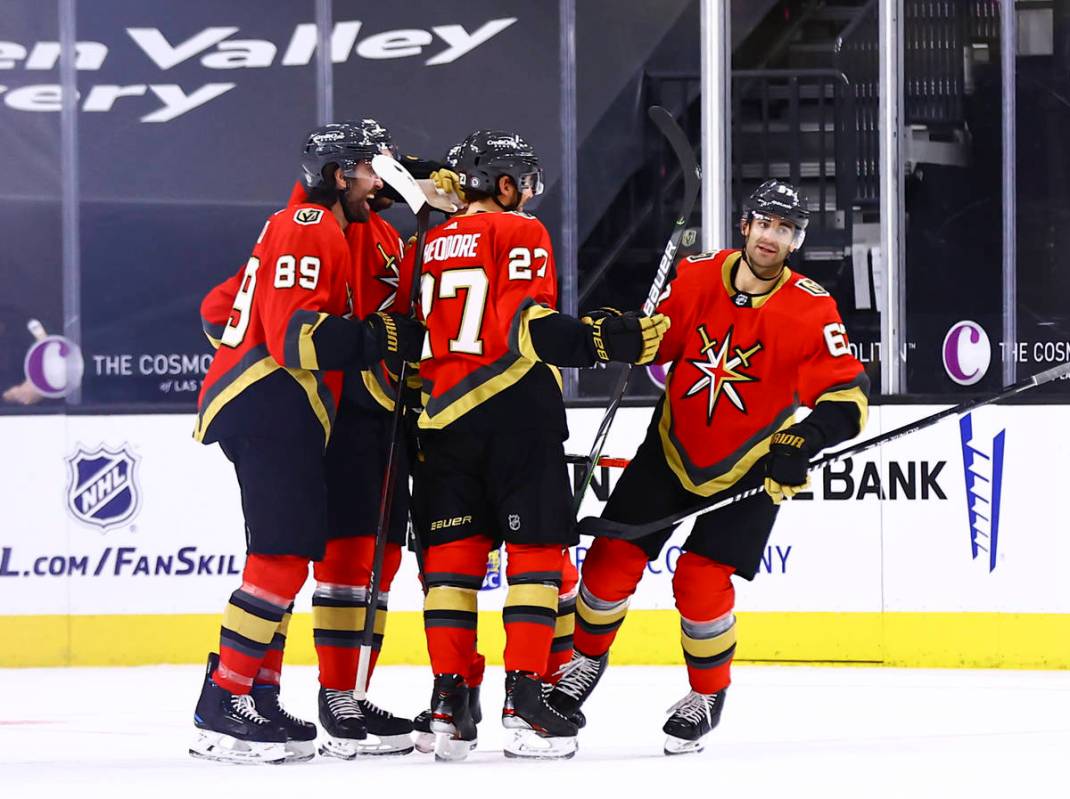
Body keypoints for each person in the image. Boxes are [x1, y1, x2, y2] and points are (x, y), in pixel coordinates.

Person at [548, 179, 870, 755]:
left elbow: (848, 398)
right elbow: (660, 341)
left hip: (755, 464)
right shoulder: (697, 275)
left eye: (786, 229)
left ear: (795, 241)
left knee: (699, 579)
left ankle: (707, 694)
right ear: (745, 225)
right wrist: (628, 334)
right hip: (672, 448)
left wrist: (804, 439)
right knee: (609, 561)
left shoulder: (810, 306)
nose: (772, 237)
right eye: (765, 224)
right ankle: (583, 664)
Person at [408, 129, 670, 761]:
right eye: (523, 180)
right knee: (535, 554)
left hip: (440, 419)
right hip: (515, 411)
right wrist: (607, 344)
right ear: (504, 184)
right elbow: (530, 326)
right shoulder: (519, 231)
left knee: (449, 568)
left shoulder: (430, 242)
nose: (529, 192)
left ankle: (449, 700)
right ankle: (525, 701)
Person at [189, 121, 424, 765]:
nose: (379, 184)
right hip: (272, 403)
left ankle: (255, 694)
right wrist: (379, 338)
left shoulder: (314, 225)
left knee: (286, 556)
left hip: (281, 407)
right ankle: (223, 701)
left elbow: (227, 313)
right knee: (282, 557)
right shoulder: (311, 225)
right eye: (369, 171)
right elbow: (296, 338)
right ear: (338, 173)